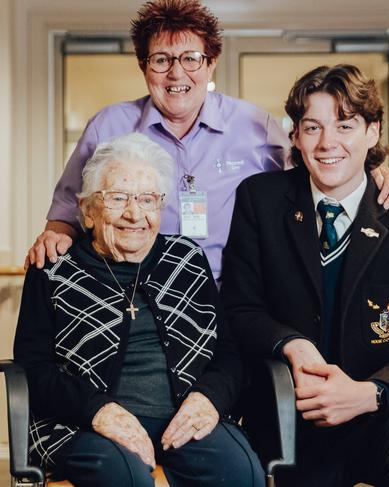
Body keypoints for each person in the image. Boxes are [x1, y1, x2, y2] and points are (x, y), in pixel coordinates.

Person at [26, 0, 389, 280]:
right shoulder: (108, 126)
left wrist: (373, 170)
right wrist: (53, 240)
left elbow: (320, 168)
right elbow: (65, 217)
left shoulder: (255, 126)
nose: (177, 73)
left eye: (191, 58)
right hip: (131, 292)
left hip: (233, 298)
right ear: (144, 67)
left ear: (211, 62)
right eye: (161, 59)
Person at [221, 64, 389, 486]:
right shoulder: (259, 201)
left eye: (345, 125)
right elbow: (240, 309)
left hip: (383, 413)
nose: (327, 143)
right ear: (295, 137)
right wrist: (291, 343)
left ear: (373, 132)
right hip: (289, 415)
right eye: (312, 127)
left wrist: (366, 394)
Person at [14, 133, 264, 487]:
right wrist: (98, 411)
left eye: (147, 200)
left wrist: (208, 399)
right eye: (117, 198)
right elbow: (33, 366)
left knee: (240, 471)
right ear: (87, 211)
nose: (135, 214)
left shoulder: (187, 260)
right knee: (127, 479)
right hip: (82, 425)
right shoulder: (54, 268)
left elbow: (227, 352)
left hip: (181, 418)